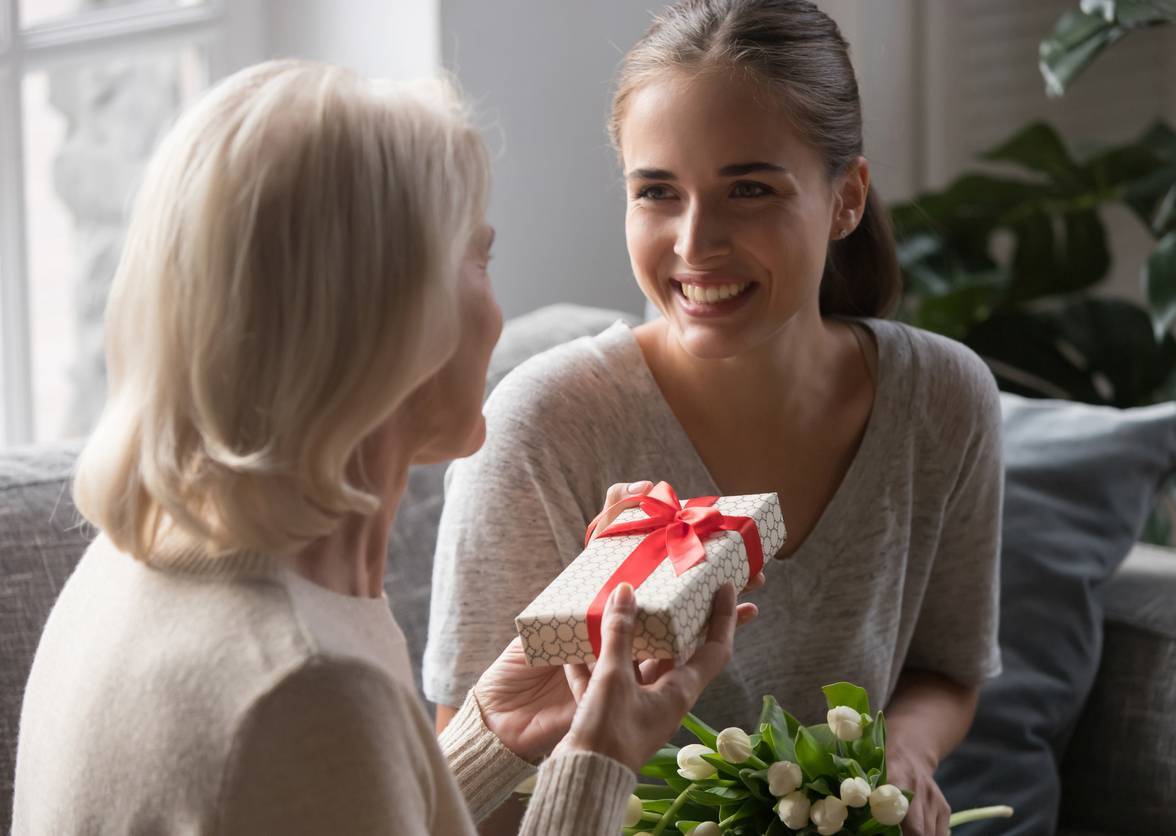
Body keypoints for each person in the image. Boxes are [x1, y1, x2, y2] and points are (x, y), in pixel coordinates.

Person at [11, 59, 757, 836]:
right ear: (391, 321)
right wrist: (598, 762)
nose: (498, 312)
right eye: (480, 257)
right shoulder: (303, 686)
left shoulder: (141, 563)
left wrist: (491, 737)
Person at [425, 2, 1004, 835]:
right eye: (657, 192)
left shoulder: (946, 399)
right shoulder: (539, 429)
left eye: (750, 190)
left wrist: (902, 753)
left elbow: (948, 669)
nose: (696, 243)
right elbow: (465, 792)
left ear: (846, 200)